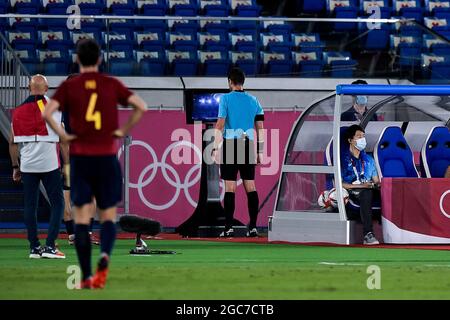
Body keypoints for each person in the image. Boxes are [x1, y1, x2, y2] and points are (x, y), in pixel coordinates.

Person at [43, 39, 147, 289]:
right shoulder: (110, 83)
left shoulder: (71, 86)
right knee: (108, 217)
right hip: (106, 158)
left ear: (77, 59)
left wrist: (64, 134)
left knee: (81, 219)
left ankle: (87, 275)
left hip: (81, 159)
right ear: (99, 60)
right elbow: (141, 106)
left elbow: (47, 113)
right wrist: (122, 131)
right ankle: (104, 261)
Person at [9, 74, 66, 259]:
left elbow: (12, 143)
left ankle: (34, 247)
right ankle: (50, 246)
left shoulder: (17, 112)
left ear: (28, 88)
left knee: (30, 206)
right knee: (58, 204)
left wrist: (15, 167)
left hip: (28, 164)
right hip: (49, 163)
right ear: (47, 89)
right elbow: (63, 140)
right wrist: (68, 164)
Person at [213, 67, 265, 238]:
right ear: (243, 82)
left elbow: (219, 125)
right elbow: (261, 128)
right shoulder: (254, 100)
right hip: (247, 144)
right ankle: (253, 227)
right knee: (250, 186)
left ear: (230, 81)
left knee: (230, 187)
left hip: (230, 144)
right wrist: (260, 151)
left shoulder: (225, 99)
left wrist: (215, 148)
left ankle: (228, 228)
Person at [341, 124, 380, 245]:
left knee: (390, 193)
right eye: (358, 137)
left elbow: (376, 180)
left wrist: (379, 186)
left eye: (363, 136)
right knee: (366, 193)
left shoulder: (368, 159)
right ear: (350, 140)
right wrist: (363, 186)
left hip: (368, 188)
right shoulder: (342, 159)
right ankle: (368, 234)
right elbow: (341, 184)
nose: (362, 139)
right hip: (352, 192)